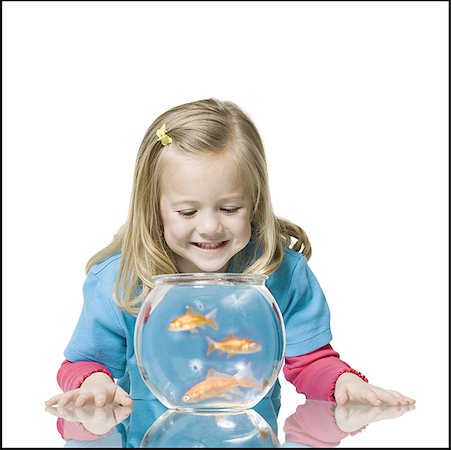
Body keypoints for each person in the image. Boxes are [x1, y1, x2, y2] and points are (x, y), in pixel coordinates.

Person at [45, 98, 415, 411]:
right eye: (187, 212)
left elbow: (311, 362)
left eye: (229, 208)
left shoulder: (282, 272)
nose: (209, 227)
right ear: (152, 208)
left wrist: (344, 382)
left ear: (255, 202)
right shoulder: (118, 281)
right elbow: (83, 363)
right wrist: (93, 382)